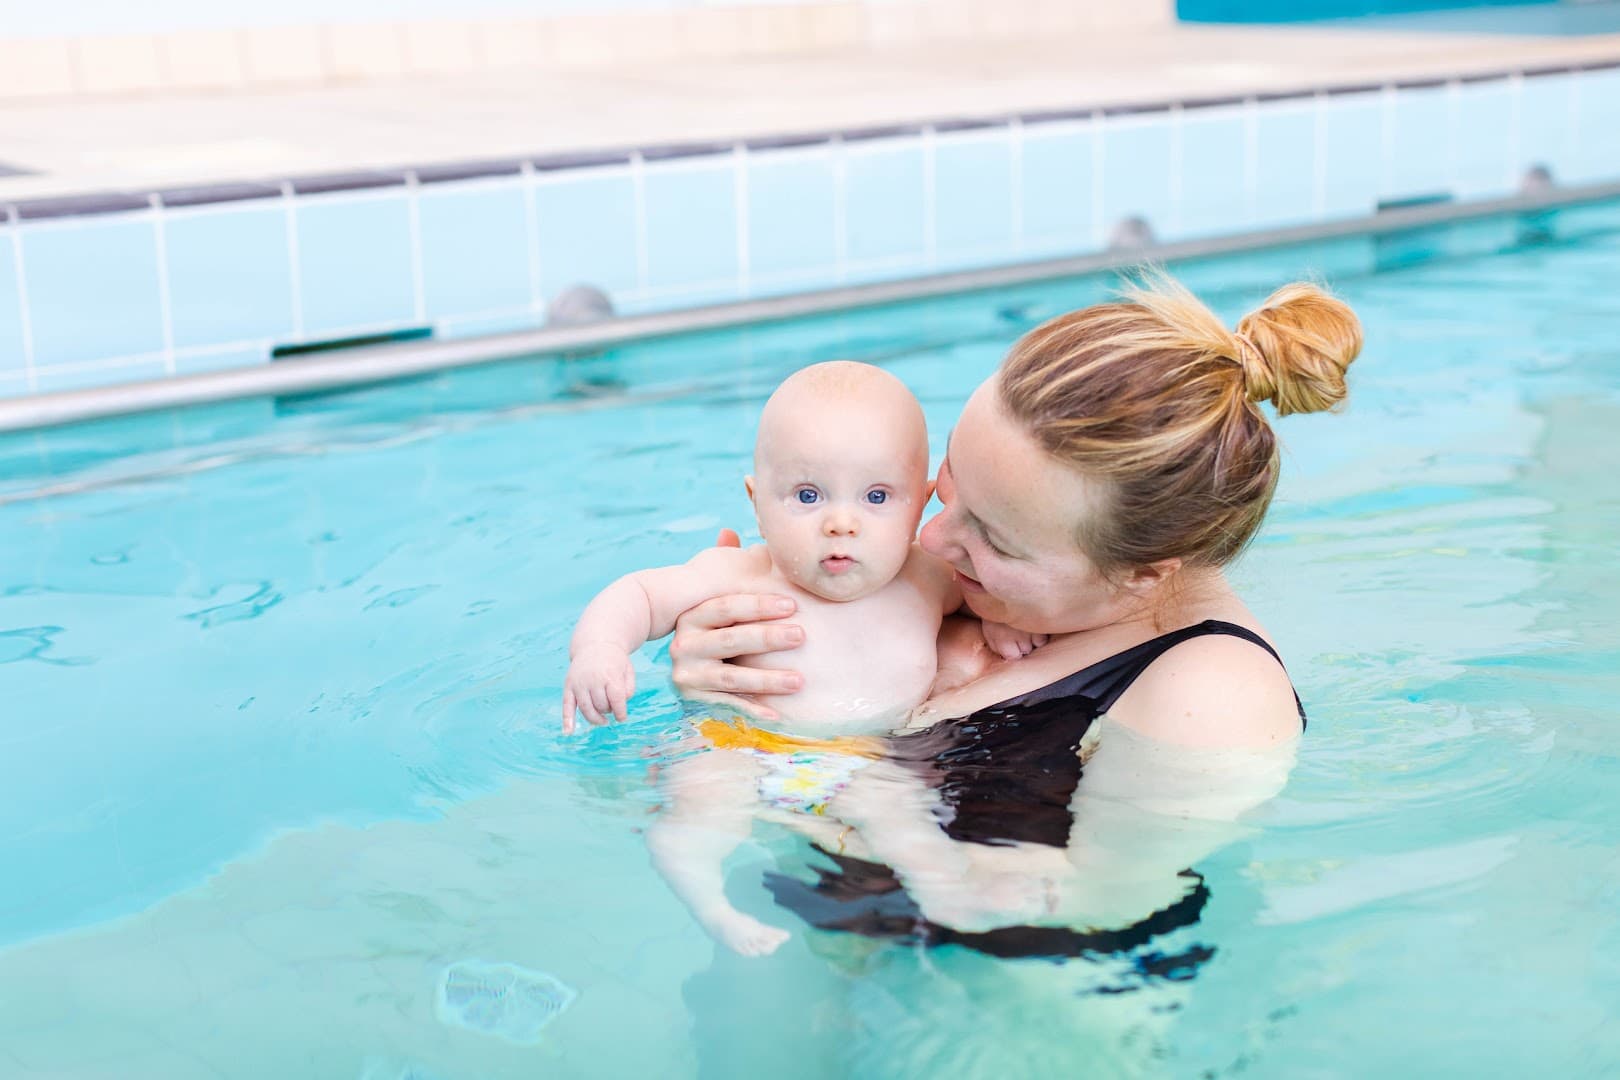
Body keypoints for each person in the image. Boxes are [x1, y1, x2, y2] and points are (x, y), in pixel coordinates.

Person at [662, 273, 1362, 949]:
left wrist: (815, 778)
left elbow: (1097, 907)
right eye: (946, 485)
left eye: (993, 538)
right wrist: (728, 674)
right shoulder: (979, 592)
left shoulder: (1211, 697)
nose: (932, 539)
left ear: (1142, 576)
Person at [562, 359, 1034, 955]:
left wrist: (1000, 625)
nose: (841, 523)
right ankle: (709, 899)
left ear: (920, 507)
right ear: (758, 504)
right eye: (808, 495)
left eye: (877, 496)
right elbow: (638, 593)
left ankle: (947, 898)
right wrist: (601, 649)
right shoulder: (737, 574)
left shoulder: (930, 577)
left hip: (864, 757)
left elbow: (989, 598)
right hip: (739, 743)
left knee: (905, 819)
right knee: (705, 808)